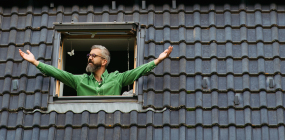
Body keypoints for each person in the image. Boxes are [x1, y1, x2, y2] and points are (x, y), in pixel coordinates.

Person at [19, 44, 173, 96]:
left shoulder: (117, 78)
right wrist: (35, 62)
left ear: (104, 61)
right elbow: (58, 73)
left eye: (94, 55)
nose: (89, 58)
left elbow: (138, 71)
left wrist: (158, 60)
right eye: (89, 55)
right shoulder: (80, 81)